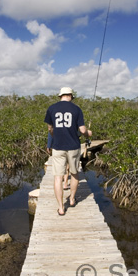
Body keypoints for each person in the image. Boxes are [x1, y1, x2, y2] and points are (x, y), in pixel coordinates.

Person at [44, 87, 92, 216]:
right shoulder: (76, 109)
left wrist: (54, 137)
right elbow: (82, 130)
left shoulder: (51, 108)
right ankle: (71, 199)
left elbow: (50, 128)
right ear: (70, 96)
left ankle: (61, 208)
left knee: (57, 177)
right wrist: (88, 133)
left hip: (58, 147)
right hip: (73, 146)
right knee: (74, 173)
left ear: (60, 96)